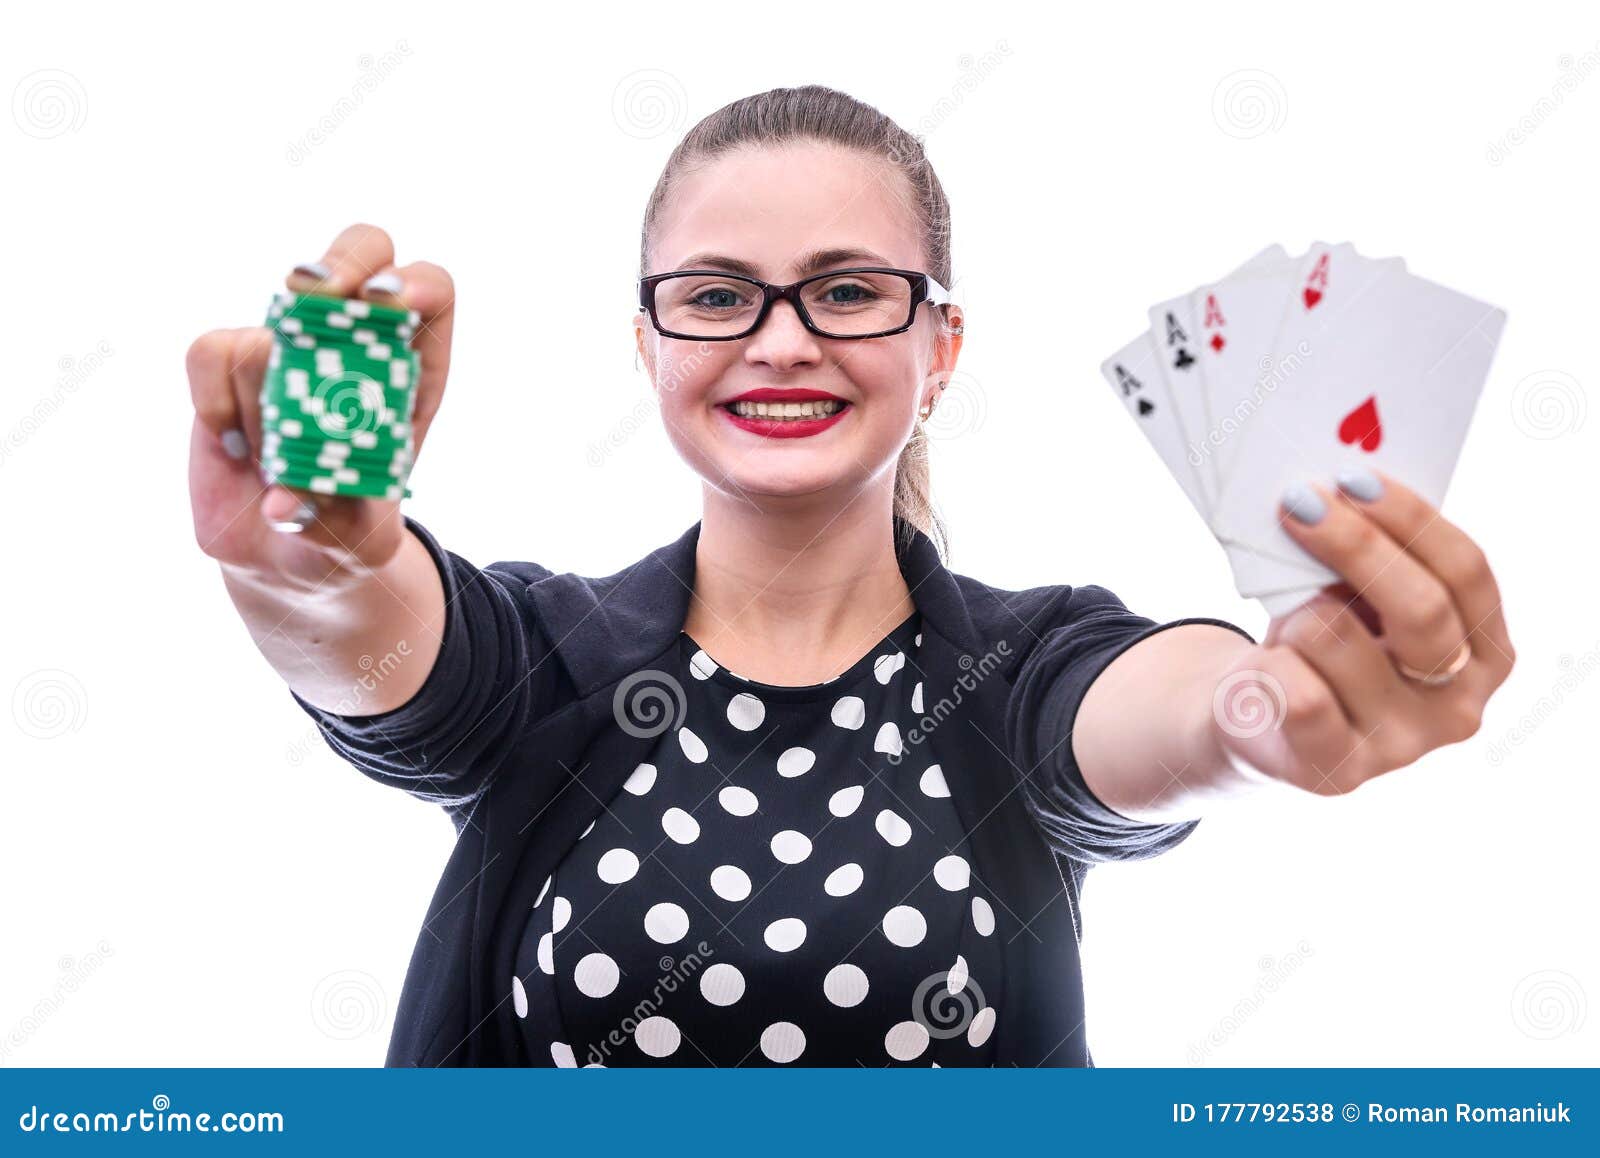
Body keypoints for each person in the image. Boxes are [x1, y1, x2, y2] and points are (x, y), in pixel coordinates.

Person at [186, 85, 1516, 1066]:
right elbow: (373, 633)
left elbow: (1164, 714)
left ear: (939, 349)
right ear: (645, 347)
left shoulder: (1017, 677)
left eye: (847, 291)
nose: (779, 342)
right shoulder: (544, 665)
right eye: (716, 296)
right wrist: (310, 552)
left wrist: (1276, 710)